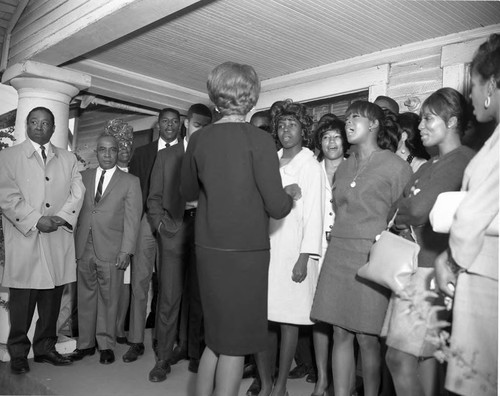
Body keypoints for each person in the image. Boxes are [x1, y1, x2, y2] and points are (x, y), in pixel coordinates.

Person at [180, 61, 300, 396]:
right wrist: (289, 195)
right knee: (234, 345)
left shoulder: (199, 139)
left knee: (216, 339)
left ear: (216, 95)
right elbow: (276, 206)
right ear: (251, 97)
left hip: (208, 250)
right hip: (246, 255)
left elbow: (187, 193)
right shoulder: (260, 141)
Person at [311, 100, 412, 396]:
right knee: (339, 331)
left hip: (372, 257)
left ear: (375, 124)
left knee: (367, 337)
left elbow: (403, 217)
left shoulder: (395, 166)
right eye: (347, 118)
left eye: (356, 117)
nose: (349, 122)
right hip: (339, 253)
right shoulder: (342, 167)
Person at [382, 87, 475, 396]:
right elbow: (399, 207)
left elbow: (416, 208)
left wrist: (406, 211)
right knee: (419, 357)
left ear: (451, 121)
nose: (419, 127)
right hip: (413, 265)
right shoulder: (433, 164)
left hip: (431, 271)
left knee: (398, 357)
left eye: (428, 119)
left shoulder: (462, 160)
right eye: (420, 119)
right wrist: (405, 212)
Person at [434, 33, 499, 396]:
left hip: (487, 277)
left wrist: (451, 258)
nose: (471, 94)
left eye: (472, 84)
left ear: (490, 84)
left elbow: (475, 210)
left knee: (477, 381)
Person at [0, 106, 85, 374]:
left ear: (53, 127)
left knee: (51, 300)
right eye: (34, 122)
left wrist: (59, 218)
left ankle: (46, 348)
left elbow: (77, 191)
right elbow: (7, 196)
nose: (39, 126)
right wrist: (37, 219)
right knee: (22, 302)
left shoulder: (69, 159)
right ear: (26, 125)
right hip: (26, 239)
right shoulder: (8, 157)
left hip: (56, 238)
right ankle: (18, 354)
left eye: (45, 123)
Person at [254, 100, 323, 396]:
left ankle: (281, 384)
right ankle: (266, 381)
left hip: (293, 251)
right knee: (260, 319)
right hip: (264, 249)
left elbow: (315, 215)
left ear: (303, 129)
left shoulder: (310, 165)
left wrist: (304, 258)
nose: (285, 130)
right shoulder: (269, 161)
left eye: (292, 125)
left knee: (288, 320)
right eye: (281, 125)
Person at [147, 103, 212, 382]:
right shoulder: (167, 155)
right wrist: (161, 227)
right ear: (187, 123)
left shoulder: (213, 157)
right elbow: (154, 198)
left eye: (205, 127)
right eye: (197, 125)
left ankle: (192, 351)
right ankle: (163, 357)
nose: (200, 131)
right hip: (174, 229)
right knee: (170, 298)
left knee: (200, 297)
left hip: (206, 231)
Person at [69, 134, 142, 365]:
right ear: (96, 152)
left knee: (110, 299)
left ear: (118, 151)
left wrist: (126, 250)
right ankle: (85, 344)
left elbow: (133, 220)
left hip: (113, 249)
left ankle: (106, 345)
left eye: (112, 150)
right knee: (85, 296)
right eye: (102, 150)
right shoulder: (83, 177)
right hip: (84, 246)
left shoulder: (130, 182)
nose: (107, 154)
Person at [122, 108, 181, 363]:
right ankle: (136, 340)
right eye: (165, 121)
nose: (169, 125)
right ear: (158, 125)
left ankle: (163, 338)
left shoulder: (189, 152)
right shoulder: (143, 153)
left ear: (181, 125)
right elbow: (134, 193)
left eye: (174, 121)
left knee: (169, 285)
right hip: (146, 222)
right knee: (140, 282)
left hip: (175, 224)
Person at [311, 118, 349, 396]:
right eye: (326, 137)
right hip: (315, 250)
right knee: (319, 318)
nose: (332, 142)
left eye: (336, 136)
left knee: (342, 321)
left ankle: (341, 383)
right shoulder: (312, 169)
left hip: (345, 252)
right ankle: (322, 379)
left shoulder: (355, 167)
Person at [102, 119, 135, 344]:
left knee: (125, 283)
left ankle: (119, 327)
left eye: (127, 146)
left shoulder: (136, 174)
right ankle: (102, 328)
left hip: (127, 238)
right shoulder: (99, 174)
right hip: (104, 238)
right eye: (119, 146)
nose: (124, 150)